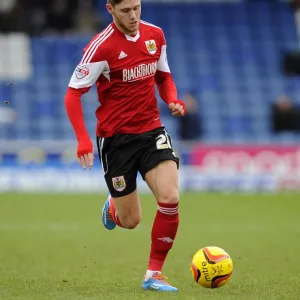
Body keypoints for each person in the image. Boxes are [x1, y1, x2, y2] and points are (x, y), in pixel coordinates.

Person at [64, 0, 186, 292]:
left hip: (152, 130)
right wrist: (82, 139)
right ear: (110, 9)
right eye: (126, 10)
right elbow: (72, 95)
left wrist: (172, 99)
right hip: (116, 139)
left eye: (137, 8)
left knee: (170, 198)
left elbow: (163, 76)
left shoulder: (155, 35)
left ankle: (153, 274)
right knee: (131, 221)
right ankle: (113, 206)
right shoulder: (100, 47)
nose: (133, 16)